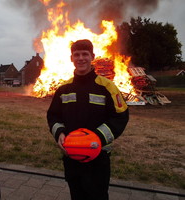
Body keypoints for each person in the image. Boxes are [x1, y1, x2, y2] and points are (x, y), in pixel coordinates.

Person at [47, 39, 129, 200]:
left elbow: (121, 116)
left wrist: (96, 138)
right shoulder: (63, 89)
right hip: (71, 157)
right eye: (76, 55)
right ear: (71, 58)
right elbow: (53, 115)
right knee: (76, 195)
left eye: (85, 54)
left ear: (92, 56)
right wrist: (59, 133)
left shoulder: (107, 87)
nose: (81, 58)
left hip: (98, 158)